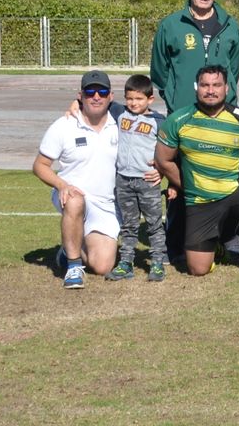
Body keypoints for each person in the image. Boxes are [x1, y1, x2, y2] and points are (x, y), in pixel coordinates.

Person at [155, 65, 239, 279]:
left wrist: (230, 177)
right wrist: (188, 185)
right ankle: (218, 249)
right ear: (196, 88)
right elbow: (163, 160)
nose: (210, 90)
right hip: (200, 201)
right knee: (197, 270)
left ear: (226, 88)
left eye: (216, 85)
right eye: (205, 85)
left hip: (235, 191)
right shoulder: (179, 120)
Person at [149, 0, 239, 263]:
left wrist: (223, 97)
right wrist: (176, 99)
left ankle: (231, 240)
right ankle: (176, 242)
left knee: (228, 179)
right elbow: (159, 70)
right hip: (185, 116)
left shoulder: (230, 25)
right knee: (180, 182)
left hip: (223, 116)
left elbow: (235, 67)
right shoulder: (171, 25)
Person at [33, 70, 124, 288]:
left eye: (102, 91)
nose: (96, 96)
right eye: (90, 91)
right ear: (80, 95)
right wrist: (61, 185)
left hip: (106, 203)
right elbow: (40, 165)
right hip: (72, 194)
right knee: (74, 199)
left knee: (102, 266)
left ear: (111, 96)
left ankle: (68, 248)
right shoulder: (64, 125)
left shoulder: (121, 123)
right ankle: (73, 266)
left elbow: (152, 118)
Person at [104, 74, 168, 283]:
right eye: (130, 98)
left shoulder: (159, 121)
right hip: (123, 180)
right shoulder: (119, 113)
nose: (133, 103)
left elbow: (171, 151)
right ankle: (126, 262)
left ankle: (158, 261)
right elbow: (94, 101)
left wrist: (162, 171)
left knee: (154, 224)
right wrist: (74, 104)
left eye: (139, 99)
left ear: (150, 99)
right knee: (128, 225)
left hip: (147, 181)